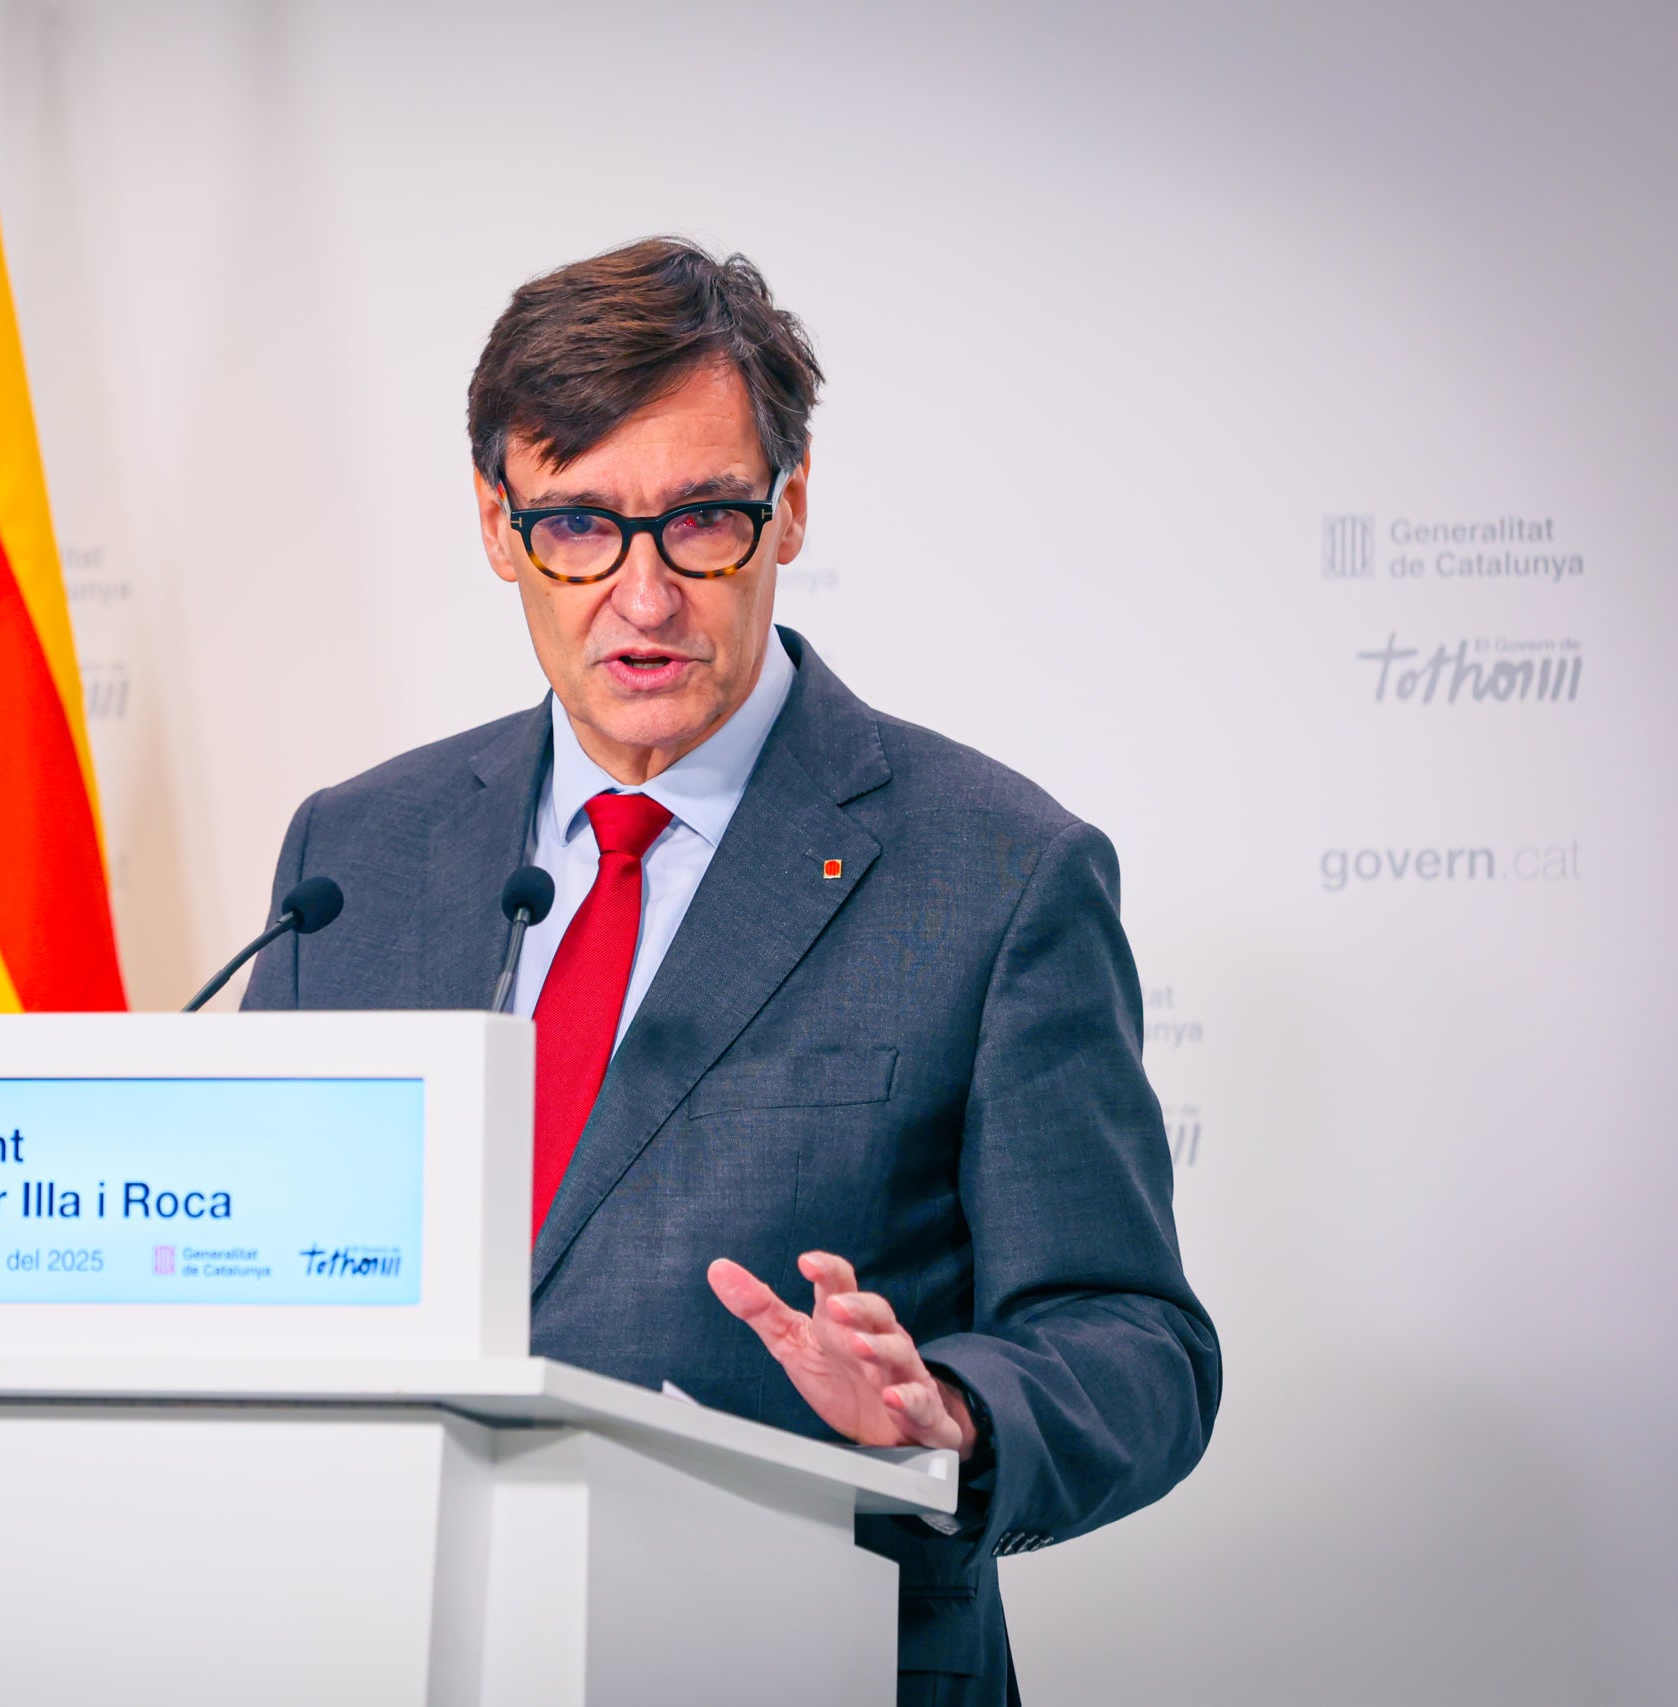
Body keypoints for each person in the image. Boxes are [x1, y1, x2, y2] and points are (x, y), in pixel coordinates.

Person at [242, 237, 1218, 1704]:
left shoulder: (998, 871)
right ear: (498, 528)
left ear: (792, 510)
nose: (641, 598)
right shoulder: (355, 856)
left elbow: (1136, 1343)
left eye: (702, 521)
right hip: (377, 1646)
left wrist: (951, 1407)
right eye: (576, 527)